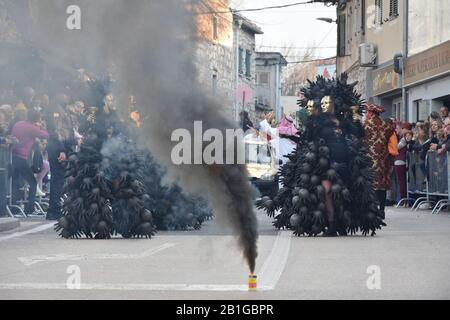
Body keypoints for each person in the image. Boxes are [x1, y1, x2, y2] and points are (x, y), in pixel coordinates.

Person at [11, 109, 49, 215]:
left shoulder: (18, 124)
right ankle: (29, 208)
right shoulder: (32, 128)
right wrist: (40, 126)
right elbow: (45, 135)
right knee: (32, 182)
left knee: (14, 182)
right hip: (21, 157)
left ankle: (13, 206)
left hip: (12, 155)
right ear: (36, 119)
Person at [363, 104, 398, 219]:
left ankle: (372, 209)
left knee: (370, 185)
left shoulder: (365, 125)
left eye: (367, 112)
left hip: (369, 159)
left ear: (370, 113)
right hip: (383, 160)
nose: (366, 114)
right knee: (381, 186)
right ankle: (382, 210)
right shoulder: (386, 126)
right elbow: (392, 134)